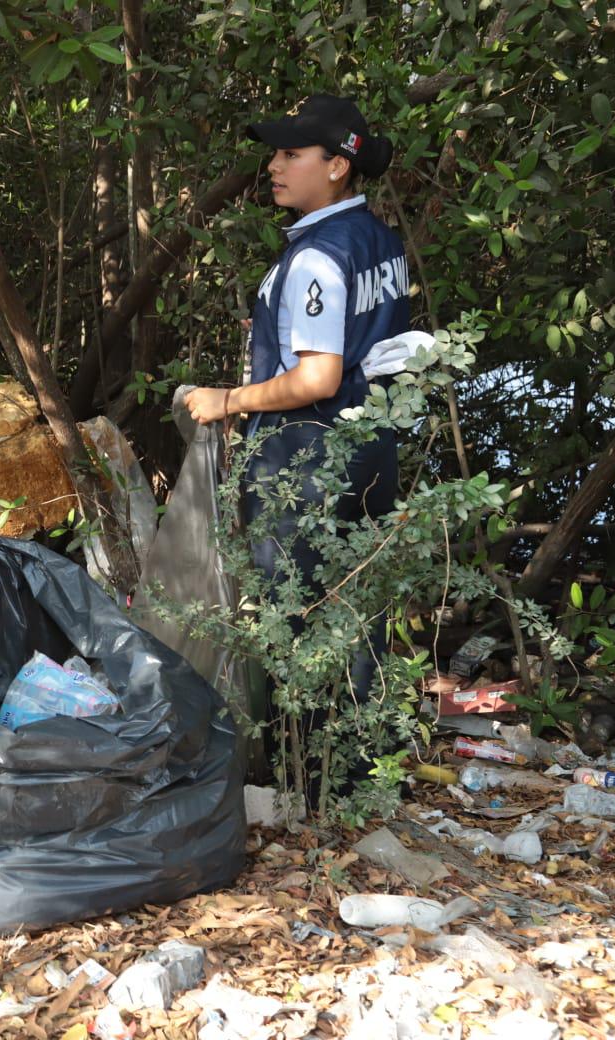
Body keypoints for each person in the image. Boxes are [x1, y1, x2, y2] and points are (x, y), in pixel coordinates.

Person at [184, 95, 408, 791]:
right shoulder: (380, 240)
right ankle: (358, 776)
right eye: (275, 153)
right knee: (357, 619)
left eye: (292, 155)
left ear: (337, 167)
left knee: (297, 621)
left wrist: (228, 400)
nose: (274, 166)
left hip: (305, 465)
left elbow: (316, 375)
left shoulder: (319, 256)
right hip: (370, 454)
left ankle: (309, 788)